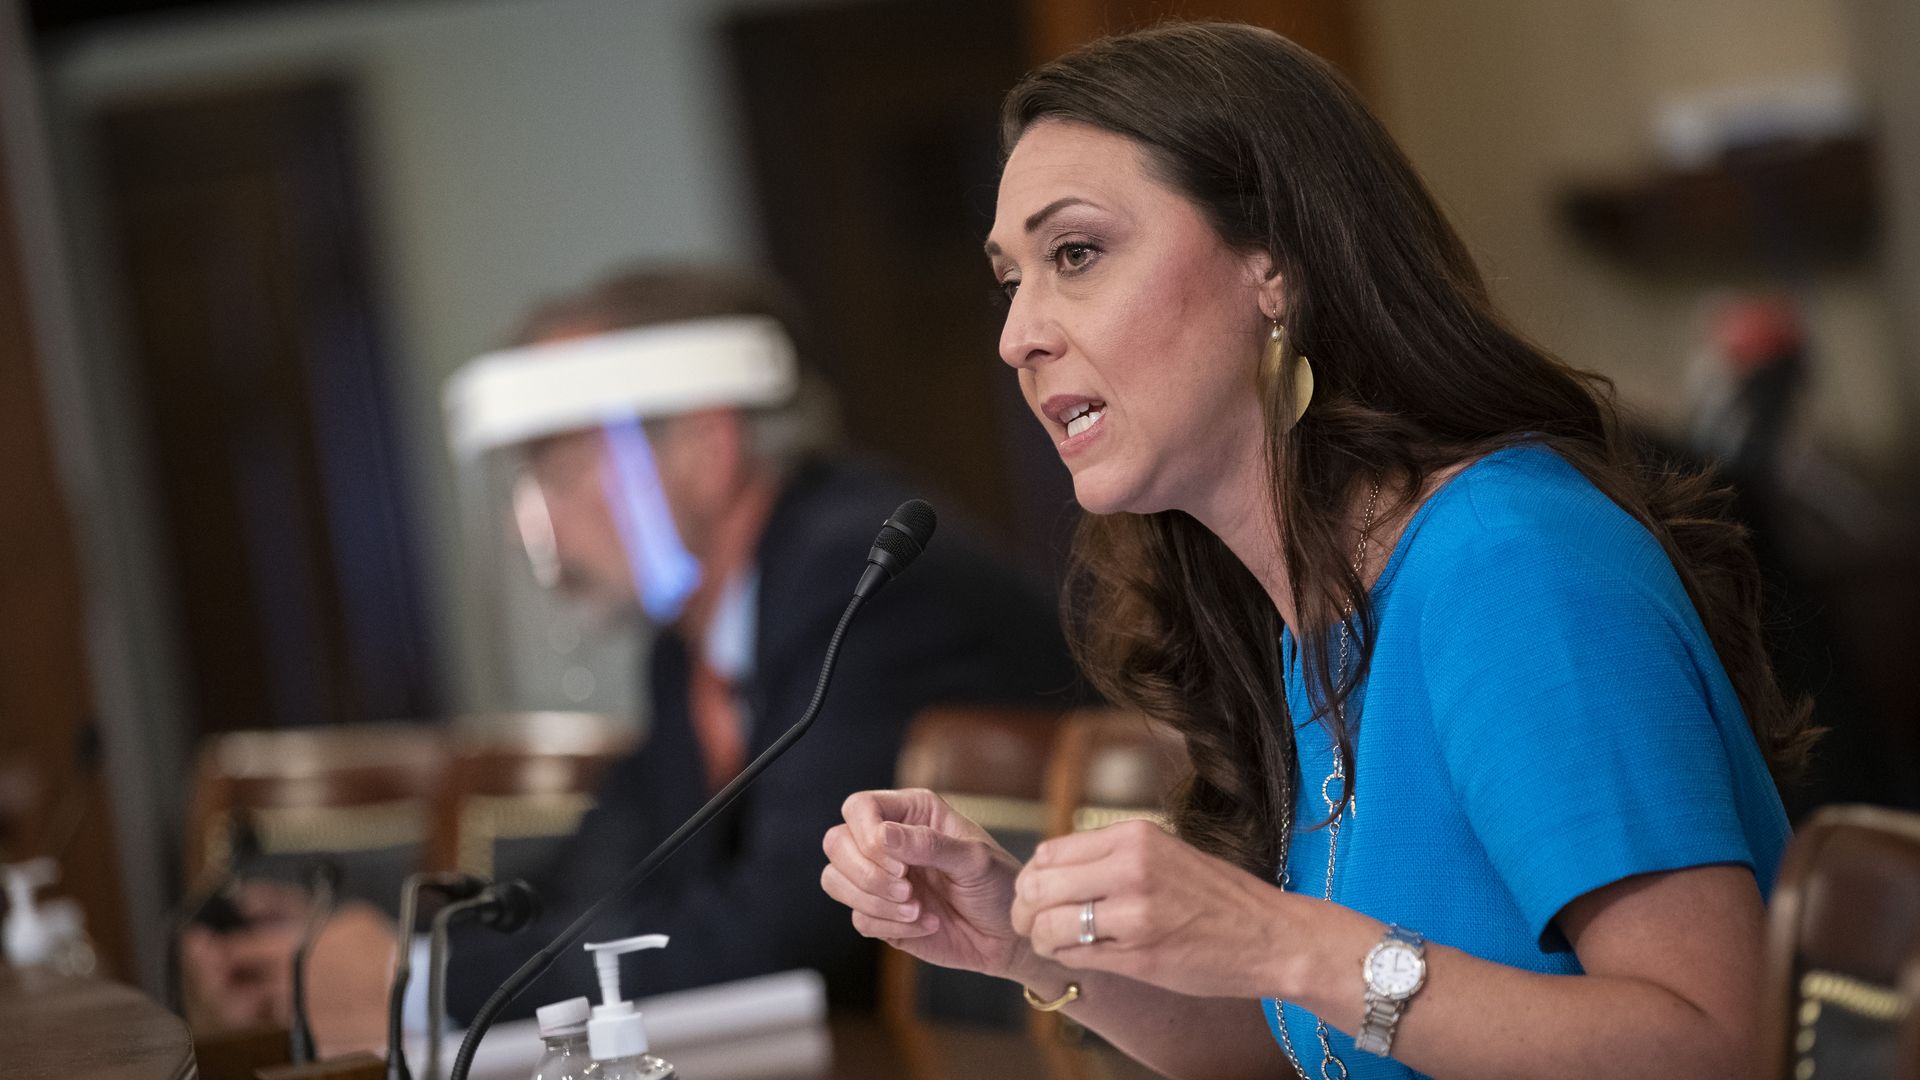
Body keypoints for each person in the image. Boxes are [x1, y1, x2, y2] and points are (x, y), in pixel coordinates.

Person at [820, 23, 1814, 1080]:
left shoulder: (1509, 567)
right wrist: (1026, 942)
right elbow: (1332, 1039)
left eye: (1075, 255)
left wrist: (1281, 940)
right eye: (1010, 280)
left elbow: (1712, 1045)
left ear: (1276, 268)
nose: (1018, 334)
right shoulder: (1313, 606)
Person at [182, 265, 1080, 1047]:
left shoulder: (861, 584)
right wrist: (376, 946)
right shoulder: (690, 641)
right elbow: (609, 877)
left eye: (559, 468)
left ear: (706, 451)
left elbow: (786, 930)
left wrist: (417, 985)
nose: (531, 524)